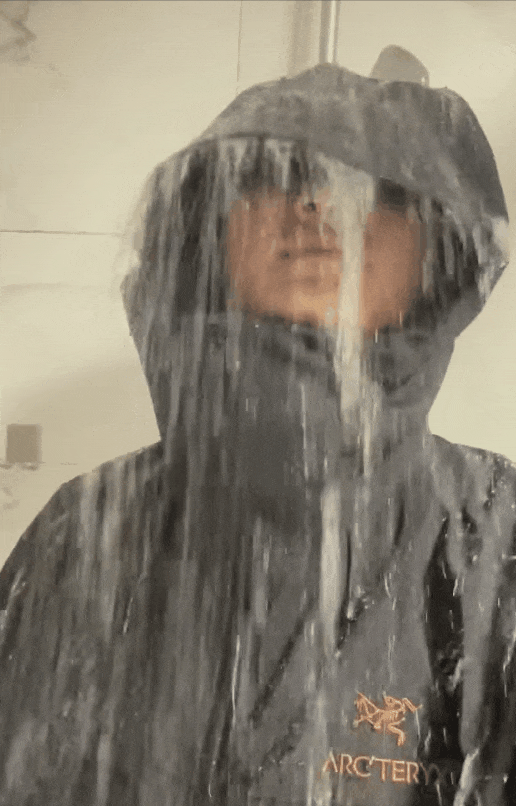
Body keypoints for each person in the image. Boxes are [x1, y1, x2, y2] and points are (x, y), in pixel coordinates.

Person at [0, 60, 513, 806]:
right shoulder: (84, 534)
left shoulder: (499, 540)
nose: (318, 202)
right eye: (274, 177)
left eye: (381, 191)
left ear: (440, 258)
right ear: (212, 233)